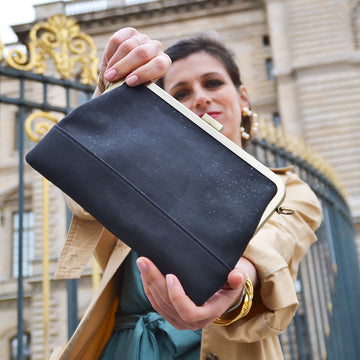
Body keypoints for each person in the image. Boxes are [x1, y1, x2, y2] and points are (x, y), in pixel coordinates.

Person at [49, 28, 322, 360]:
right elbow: (86, 197)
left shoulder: (291, 191)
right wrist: (112, 108)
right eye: (180, 93)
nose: (201, 98)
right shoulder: (143, 177)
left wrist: (235, 290)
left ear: (244, 99)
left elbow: (275, 245)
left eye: (213, 83)